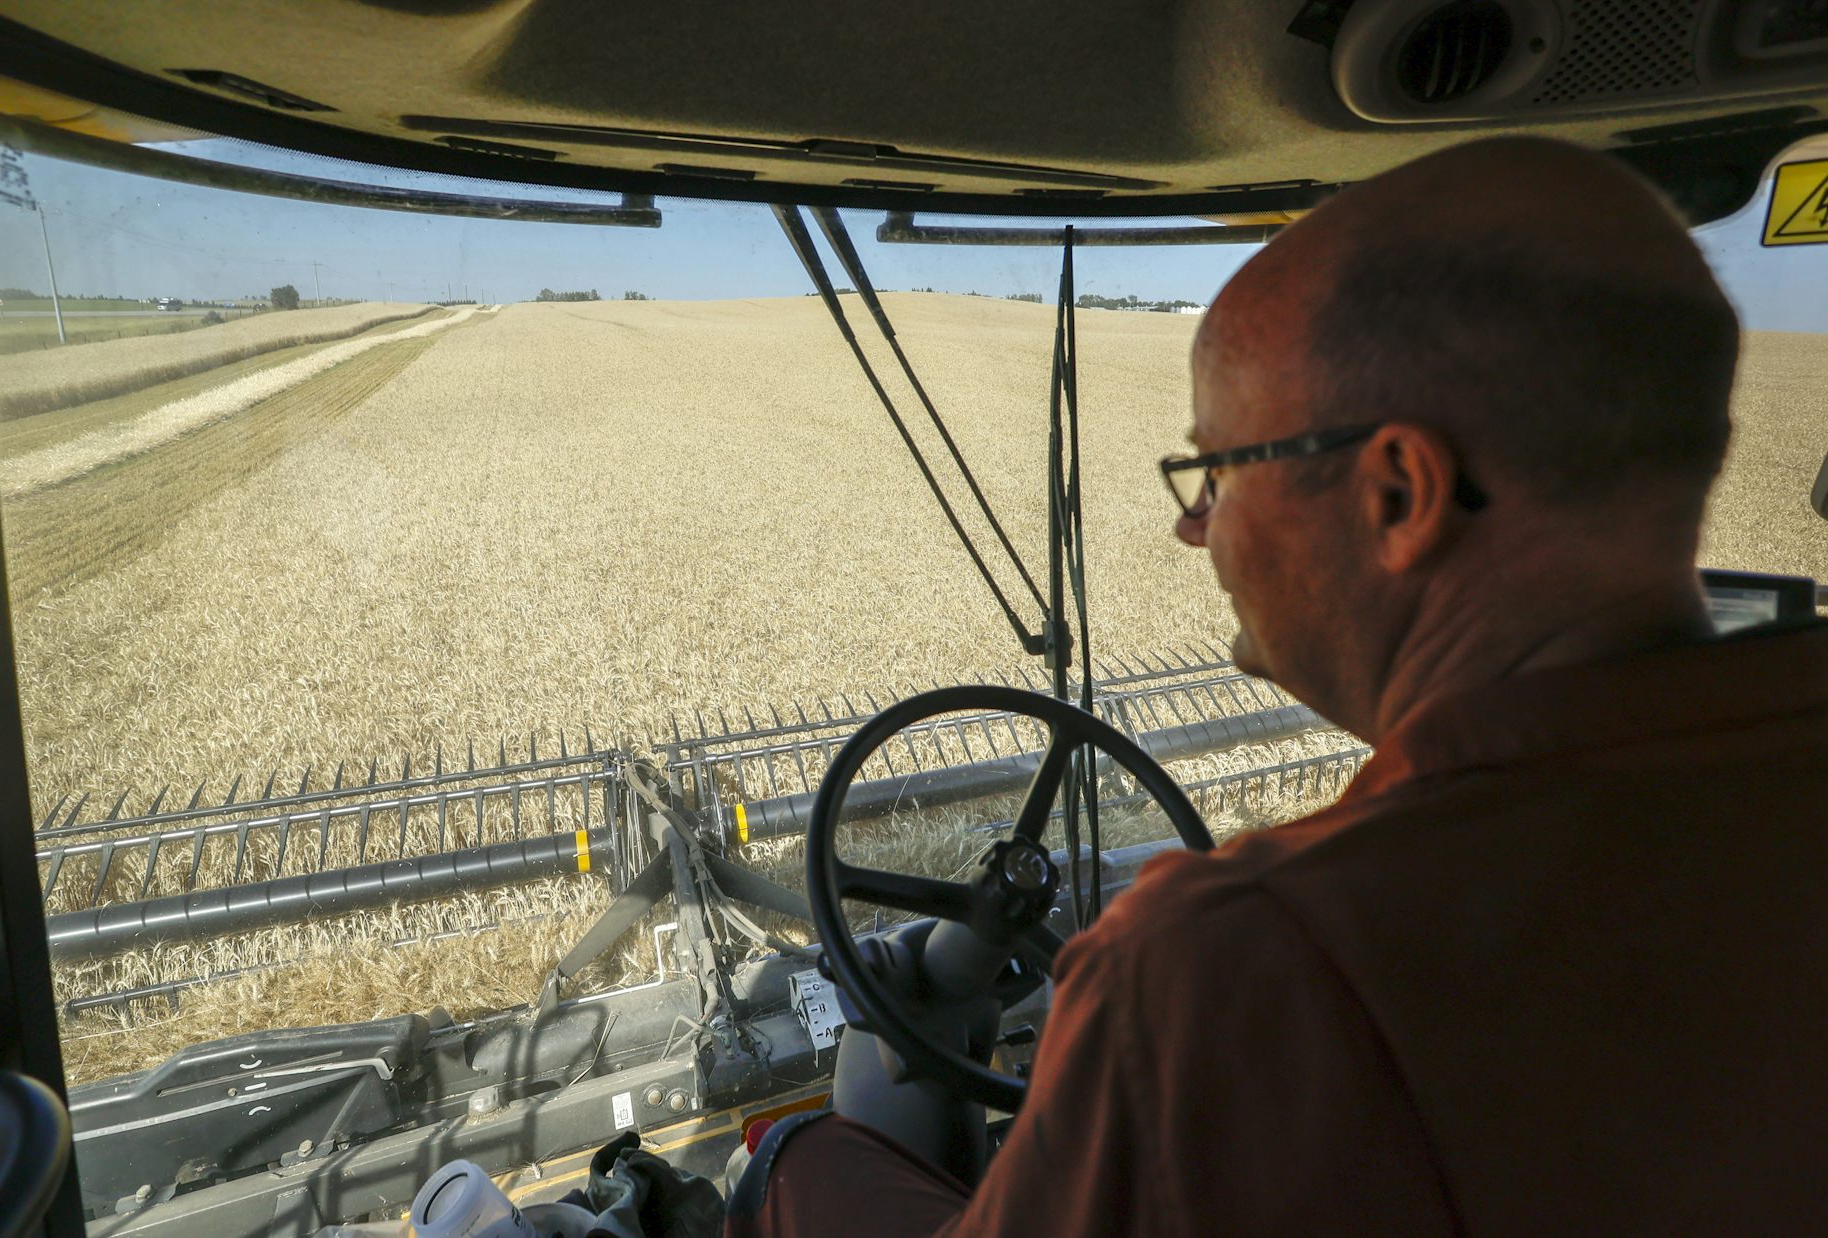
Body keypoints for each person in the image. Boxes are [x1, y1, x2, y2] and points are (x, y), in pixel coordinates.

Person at [726, 136, 1828, 1235]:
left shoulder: (1235, 972)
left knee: (801, 1158)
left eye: (1216, 470)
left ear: (1399, 494)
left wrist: (798, 1160)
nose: (1191, 524)